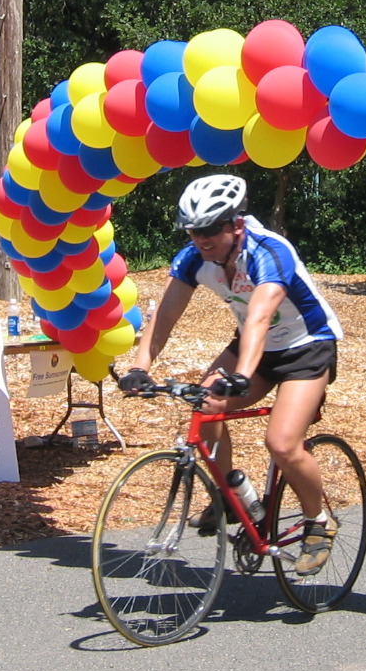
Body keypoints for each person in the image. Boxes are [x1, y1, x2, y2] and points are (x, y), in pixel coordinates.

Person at [132, 174, 344, 576]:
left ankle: (319, 523)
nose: (201, 238)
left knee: (281, 443)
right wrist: (141, 366)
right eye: (194, 230)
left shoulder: (269, 251)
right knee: (204, 404)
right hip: (254, 344)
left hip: (306, 346)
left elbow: (261, 316)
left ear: (237, 224)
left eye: (211, 228)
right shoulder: (195, 258)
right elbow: (164, 316)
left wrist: (243, 374)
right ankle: (229, 497)